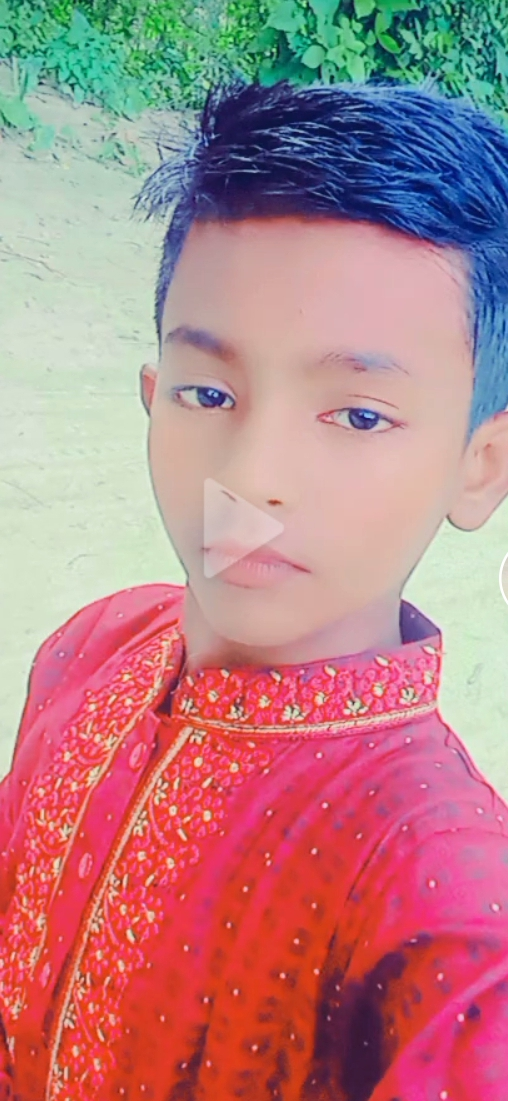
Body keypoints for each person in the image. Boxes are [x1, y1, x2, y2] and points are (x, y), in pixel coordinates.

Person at [2, 75, 508, 1101]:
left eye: (357, 415)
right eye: (208, 393)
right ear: (152, 397)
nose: (252, 473)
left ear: (481, 465)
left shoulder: (449, 908)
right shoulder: (92, 646)